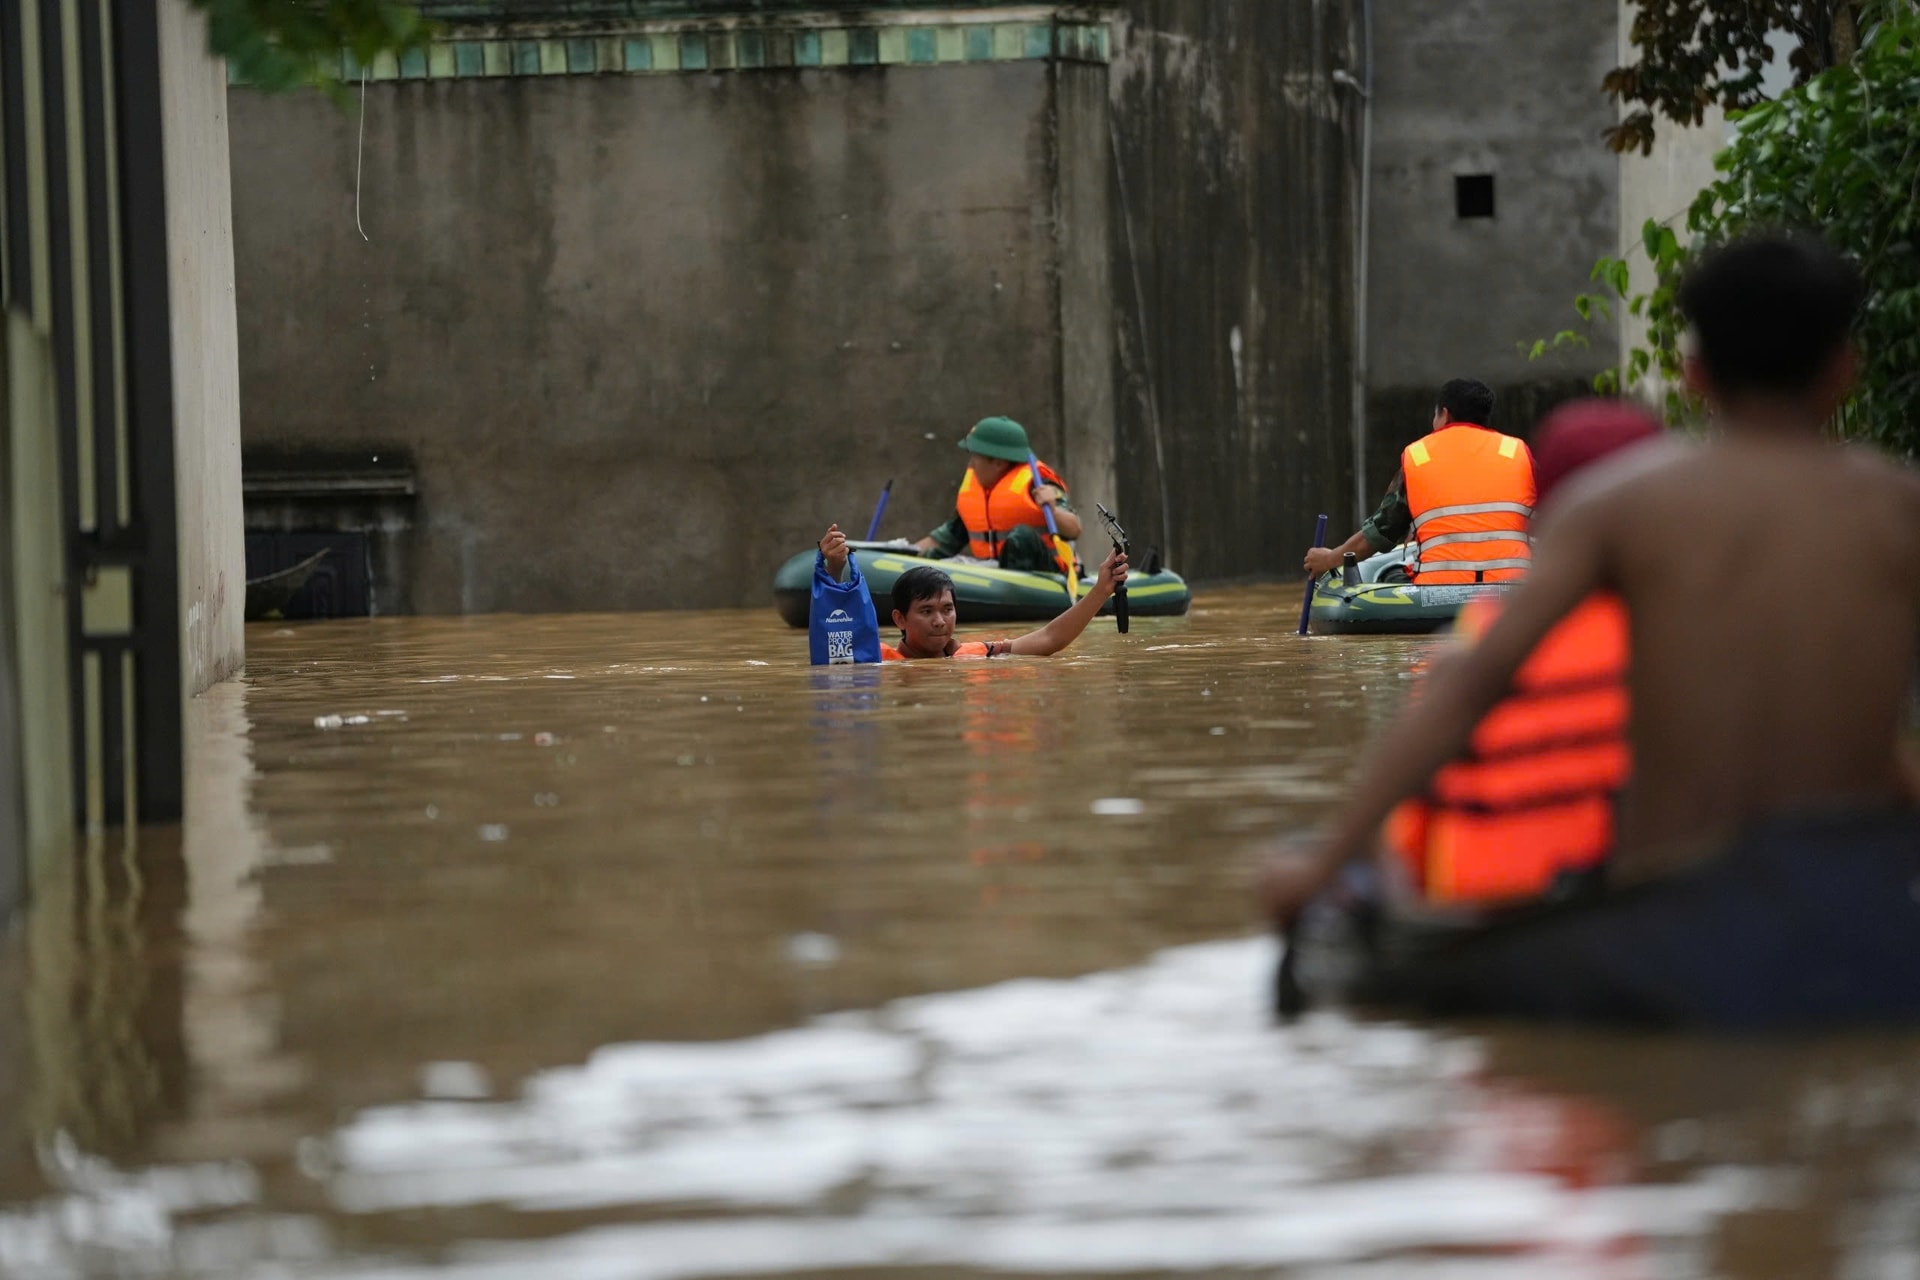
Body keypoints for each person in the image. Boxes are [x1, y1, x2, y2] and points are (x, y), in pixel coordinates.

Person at [1264, 233, 1920, 1027]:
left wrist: (1325, 866)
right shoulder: (1898, 512)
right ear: (1845, 367)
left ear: (1695, 373)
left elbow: (1472, 685)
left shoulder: (1623, 507)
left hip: (1672, 926)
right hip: (1861, 918)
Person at [1382, 400, 1661, 909]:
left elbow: (1406, 845)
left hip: (1490, 920)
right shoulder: (1697, 638)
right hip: (1638, 914)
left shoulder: (1470, 652)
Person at [1304, 379, 1537, 586]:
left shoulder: (1419, 456)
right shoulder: (1517, 452)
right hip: (1512, 587)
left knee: (1390, 574)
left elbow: (1377, 534)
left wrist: (1329, 558)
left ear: (1444, 414)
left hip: (1438, 589)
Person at [818, 524, 1125, 660]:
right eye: (926, 611)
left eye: (947, 609)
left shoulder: (974, 655)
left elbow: (1048, 640)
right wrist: (834, 569)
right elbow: (833, 644)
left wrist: (1101, 590)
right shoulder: (879, 659)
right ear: (899, 619)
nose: (940, 621)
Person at [915, 417, 1078, 575]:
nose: (971, 464)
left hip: (1048, 574)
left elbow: (1074, 529)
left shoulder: (1038, 483)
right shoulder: (976, 496)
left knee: (1022, 537)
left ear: (998, 464)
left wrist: (1053, 511)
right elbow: (943, 542)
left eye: (975, 458)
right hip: (996, 575)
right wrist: (904, 552)